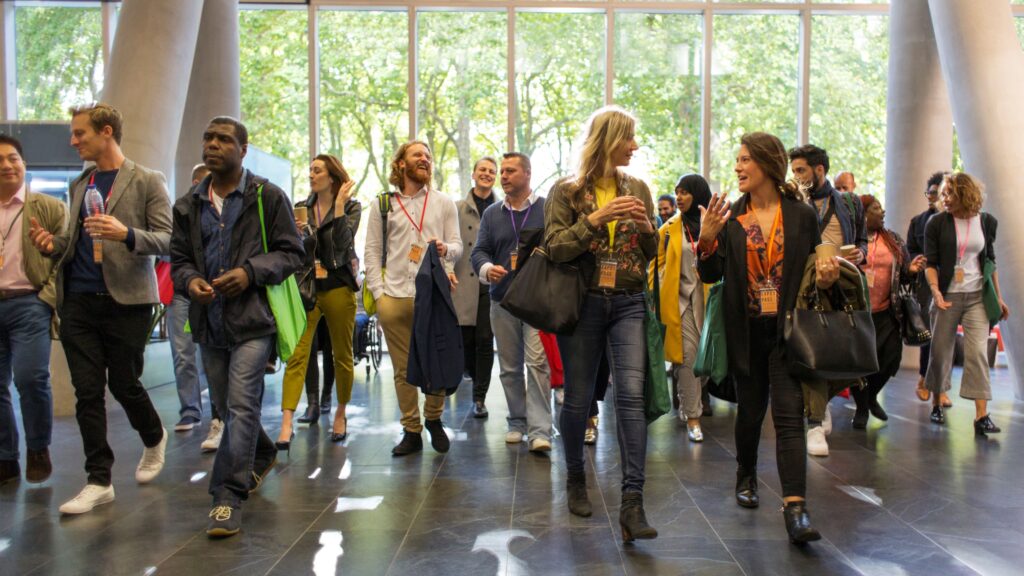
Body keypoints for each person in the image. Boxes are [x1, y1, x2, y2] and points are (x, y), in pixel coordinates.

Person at [29, 103, 171, 514]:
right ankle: (98, 479)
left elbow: (167, 239)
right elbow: (72, 241)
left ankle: (153, 435)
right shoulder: (80, 183)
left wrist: (126, 233)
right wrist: (51, 244)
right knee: (87, 391)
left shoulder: (146, 180)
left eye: (80, 134)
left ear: (106, 132)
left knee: (124, 383)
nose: (73, 141)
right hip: (77, 301)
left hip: (127, 299)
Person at [697, 132, 837, 545]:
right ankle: (745, 473)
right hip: (745, 331)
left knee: (790, 418)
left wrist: (829, 270)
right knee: (751, 412)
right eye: (737, 160)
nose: (738, 167)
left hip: (789, 332)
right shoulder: (730, 216)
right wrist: (706, 238)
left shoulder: (801, 215)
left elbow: (817, 269)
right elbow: (710, 275)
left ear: (766, 163)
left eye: (744, 160)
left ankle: (796, 508)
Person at [170, 116, 304, 537]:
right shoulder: (188, 204)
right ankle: (261, 453)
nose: (212, 145)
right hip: (208, 322)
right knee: (229, 408)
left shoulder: (267, 196)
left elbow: (291, 253)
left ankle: (227, 495)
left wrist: (249, 272)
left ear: (242, 150)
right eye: (208, 137)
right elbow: (178, 260)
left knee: (243, 404)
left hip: (254, 321)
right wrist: (190, 281)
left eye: (223, 139)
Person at [545, 106, 659, 543]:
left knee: (631, 397)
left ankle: (633, 502)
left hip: (629, 300)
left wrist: (648, 230)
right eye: (628, 138)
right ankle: (575, 475)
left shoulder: (639, 189)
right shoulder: (568, 192)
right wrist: (594, 221)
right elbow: (555, 247)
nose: (634, 146)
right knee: (578, 400)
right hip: (583, 302)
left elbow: (646, 254)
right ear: (607, 140)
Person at [364, 140, 462, 456]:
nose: (425, 158)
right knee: (403, 370)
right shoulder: (383, 204)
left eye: (428, 156)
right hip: (393, 296)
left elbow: (457, 246)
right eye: (417, 154)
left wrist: (447, 251)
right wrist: (379, 295)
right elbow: (371, 251)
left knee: (436, 359)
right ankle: (411, 429)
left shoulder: (444, 202)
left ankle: (434, 419)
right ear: (401, 164)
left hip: (432, 295)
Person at [277, 154, 360, 447]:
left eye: (317, 170)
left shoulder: (351, 206)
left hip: (338, 287)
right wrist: (298, 236)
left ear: (332, 177)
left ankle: (340, 412)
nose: (311, 175)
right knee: (297, 354)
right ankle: (286, 422)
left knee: (342, 356)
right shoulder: (301, 208)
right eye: (310, 170)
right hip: (307, 288)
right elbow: (291, 250)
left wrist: (337, 207)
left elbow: (341, 246)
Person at [472, 152, 552, 452]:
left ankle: (541, 429)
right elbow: (479, 251)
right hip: (501, 300)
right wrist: (485, 268)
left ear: (528, 174)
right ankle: (517, 422)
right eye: (501, 172)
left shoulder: (547, 209)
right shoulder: (492, 213)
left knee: (538, 364)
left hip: (537, 302)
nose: (502, 176)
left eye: (509, 171)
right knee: (509, 367)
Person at [0, 134, 66, 486]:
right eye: (0, 161)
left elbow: (65, 256)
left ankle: (38, 448)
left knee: (31, 378)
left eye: (13, 158)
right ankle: (5, 457)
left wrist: (46, 298)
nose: (7, 166)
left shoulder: (48, 207)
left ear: (24, 163)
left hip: (30, 303)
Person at [788, 144, 866, 443]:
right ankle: (816, 420)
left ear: (819, 170)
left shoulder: (849, 203)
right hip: (806, 285)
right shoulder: (794, 202)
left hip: (842, 284)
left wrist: (861, 253)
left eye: (801, 170)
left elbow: (861, 239)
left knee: (843, 350)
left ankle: (820, 411)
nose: (796, 176)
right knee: (811, 346)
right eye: (793, 170)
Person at [923, 172, 1009, 433]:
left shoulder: (986, 222)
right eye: (943, 194)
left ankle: (981, 416)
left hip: (976, 297)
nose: (944, 199)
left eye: (950, 193)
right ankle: (937, 401)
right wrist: (936, 291)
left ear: (965, 193)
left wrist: (999, 297)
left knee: (978, 354)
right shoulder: (936, 223)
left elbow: (990, 262)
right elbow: (931, 263)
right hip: (947, 296)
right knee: (940, 352)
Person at [853, 194, 925, 429]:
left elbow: (903, 273)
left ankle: (872, 395)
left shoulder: (893, 239)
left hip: (887, 310)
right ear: (863, 213)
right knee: (860, 364)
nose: (882, 212)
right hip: (858, 313)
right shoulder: (852, 240)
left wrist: (912, 270)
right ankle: (862, 408)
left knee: (890, 359)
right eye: (876, 208)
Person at [169, 163, 224, 453]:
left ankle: (219, 418)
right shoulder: (184, 209)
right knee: (184, 354)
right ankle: (191, 409)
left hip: (219, 291)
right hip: (185, 291)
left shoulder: (230, 207)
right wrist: (190, 279)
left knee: (215, 359)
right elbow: (176, 253)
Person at [654, 174, 711, 443]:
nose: (679, 197)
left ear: (698, 194)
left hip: (711, 302)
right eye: (677, 192)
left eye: (685, 192)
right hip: (682, 300)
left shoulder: (716, 224)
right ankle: (693, 418)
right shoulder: (668, 228)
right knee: (688, 357)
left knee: (707, 362)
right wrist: (670, 277)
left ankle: (687, 399)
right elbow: (655, 265)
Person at [455, 157, 498, 418]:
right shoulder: (457, 208)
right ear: (473, 174)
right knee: (466, 339)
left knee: (485, 339)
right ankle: (470, 373)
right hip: (463, 281)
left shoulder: (501, 208)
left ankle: (479, 398)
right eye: (482, 169)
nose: (486, 174)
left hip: (490, 282)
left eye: (491, 171)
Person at [907, 171, 948, 404]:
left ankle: (939, 388)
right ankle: (926, 379)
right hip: (925, 285)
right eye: (930, 193)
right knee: (929, 335)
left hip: (951, 283)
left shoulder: (954, 221)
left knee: (946, 337)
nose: (932, 197)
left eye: (937, 193)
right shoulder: (918, 221)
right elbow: (910, 249)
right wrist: (916, 260)